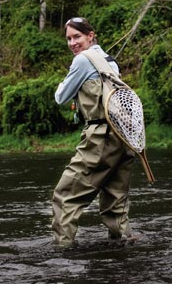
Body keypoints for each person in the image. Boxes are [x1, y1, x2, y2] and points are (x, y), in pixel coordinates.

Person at [51, 17, 134, 246]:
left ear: (90, 35)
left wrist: (63, 82)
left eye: (77, 36)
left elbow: (61, 97)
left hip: (100, 137)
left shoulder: (82, 60)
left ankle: (61, 251)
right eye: (68, 38)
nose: (72, 43)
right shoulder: (110, 60)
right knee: (115, 200)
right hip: (123, 137)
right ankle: (122, 247)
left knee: (65, 195)